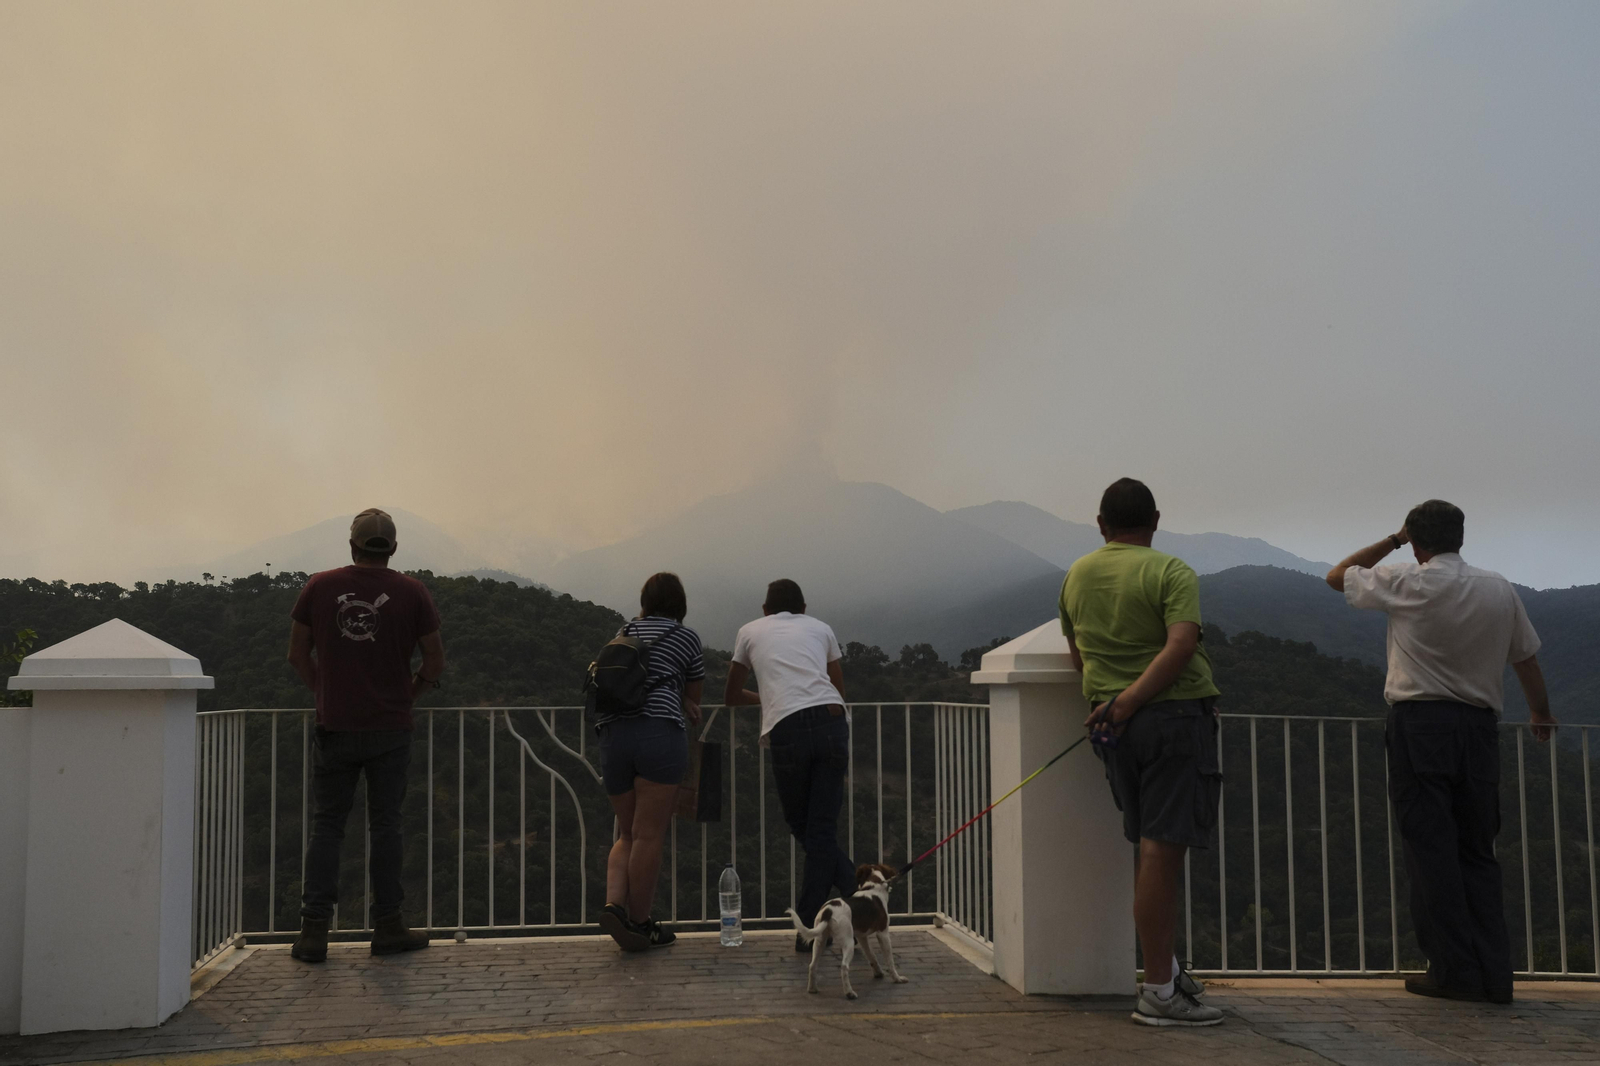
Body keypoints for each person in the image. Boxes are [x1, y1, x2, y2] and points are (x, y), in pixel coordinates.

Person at [1327, 499, 1554, 1004]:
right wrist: (1540, 712)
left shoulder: (1408, 581)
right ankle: (1496, 977)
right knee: (1477, 851)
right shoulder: (1499, 588)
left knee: (1431, 851)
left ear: (1417, 539)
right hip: (1479, 729)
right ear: (1462, 537)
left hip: (1421, 726)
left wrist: (1393, 539)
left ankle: (1454, 972)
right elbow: (1526, 658)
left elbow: (1338, 575)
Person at [1059, 478, 1224, 1027]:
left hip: (1114, 729)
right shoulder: (1170, 571)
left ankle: (1166, 970)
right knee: (1161, 851)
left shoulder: (1077, 575)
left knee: (1145, 845)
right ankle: (1158, 992)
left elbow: (1078, 652)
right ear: (1155, 520)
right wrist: (1134, 699)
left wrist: (1113, 700)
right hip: (1174, 720)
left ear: (1101, 524)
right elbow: (1181, 644)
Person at [286, 508, 445, 963]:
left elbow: (297, 654)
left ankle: (314, 932)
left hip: (335, 726)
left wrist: (326, 693)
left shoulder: (319, 586)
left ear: (351, 546)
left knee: (328, 826)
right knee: (387, 826)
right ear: (392, 548)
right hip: (390, 730)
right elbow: (434, 662)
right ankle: (389, 926)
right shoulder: (413, 593)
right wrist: (408, 697)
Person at [724, 579, 854, 952]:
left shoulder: (749, 631)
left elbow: (731, 696)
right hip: (831, 721)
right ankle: (855, 896)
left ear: (765, 609)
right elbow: (836, 687)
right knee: (821, 831)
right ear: (804, 608)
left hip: (789, 730)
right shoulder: (821, 628)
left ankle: (810, 931)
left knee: (804, 826)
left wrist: (772, 698)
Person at [596, 572, 705, 952]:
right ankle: (641, 924)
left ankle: (614, 905)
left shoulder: (625, 629)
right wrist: (686, 702)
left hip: (612, 734)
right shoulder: (686, 637)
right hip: (658, 733)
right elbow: (693, 695)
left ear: (645, 600)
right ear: (680, 604)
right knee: (649, 834)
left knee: (627, 832)